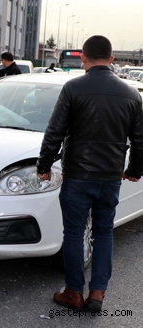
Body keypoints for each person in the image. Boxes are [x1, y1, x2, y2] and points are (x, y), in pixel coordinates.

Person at [36, 35, 143, 312]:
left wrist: (44, 166)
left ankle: (73, 292)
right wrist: (134, 170)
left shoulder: (73, 88)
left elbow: (55, 131)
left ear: (83, 58)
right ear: (111, 59)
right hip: (110, 177)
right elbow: (140, 140)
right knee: (104, 232)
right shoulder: (132, 94)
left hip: (77, 176)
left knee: (73, 233)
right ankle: (97, 294)